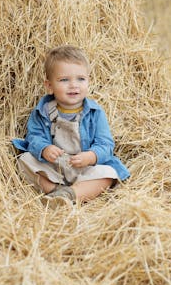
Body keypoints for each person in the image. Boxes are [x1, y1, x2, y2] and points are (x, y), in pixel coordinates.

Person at [12, 45, 130, 208]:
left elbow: (105, 144)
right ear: (49, 86)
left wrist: (91, 156)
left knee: (109, 174)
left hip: (84, 169)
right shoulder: (43, 111)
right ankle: (57, 191)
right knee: (24, 161)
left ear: (89, 81)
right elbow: (34, 137)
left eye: (80, 79)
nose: (73, 85)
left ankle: (71, 194)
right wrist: (45, 149)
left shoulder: (95, 113)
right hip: (55, 167)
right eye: (64, 80)